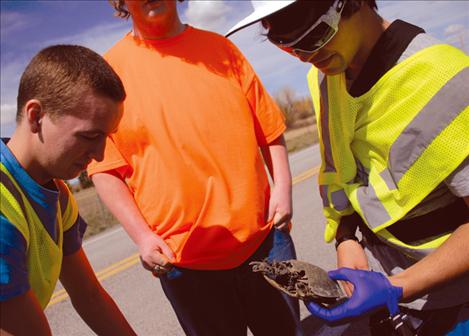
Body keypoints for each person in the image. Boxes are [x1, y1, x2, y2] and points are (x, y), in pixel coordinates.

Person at [227, 0, 469, 334]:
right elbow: (343, 170)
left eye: (314, 36)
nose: (304, 55)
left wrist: (396, 287)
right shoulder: (326, 79)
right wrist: (347, 238)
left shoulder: (447, 79)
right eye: (285, 45)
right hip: (405, 294)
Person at [88, 0, 301, 335]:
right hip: (184, 263)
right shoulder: (107, 75)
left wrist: (283, 189)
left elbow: (269, 129)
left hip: (264, 240)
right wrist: (143, 237)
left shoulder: (222, 49)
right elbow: (104, 169)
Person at [0, 45, 136, 336]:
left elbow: (89, 296)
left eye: (107, 137)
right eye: (90, 136)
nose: (100, 155)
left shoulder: (57, 194)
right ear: (36, 116)